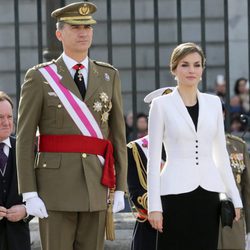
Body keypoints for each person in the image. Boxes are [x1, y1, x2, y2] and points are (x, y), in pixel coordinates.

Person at [16, 2, 127, 250]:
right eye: (75, 26)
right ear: (59, 33)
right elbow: (24, 139)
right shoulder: (40, 77)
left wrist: (120, 188)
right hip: (55, 188)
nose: (83, 32)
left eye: (87, 26)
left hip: (97, 185)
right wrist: (29, 192)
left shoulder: (109, 76)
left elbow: (118, 136)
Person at [147, 42, 242, 250]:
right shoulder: (160, 105)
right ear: (174, 69)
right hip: (173, 194)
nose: (192, 70)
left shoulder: (214, 103)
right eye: (185, 65)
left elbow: (220, 154)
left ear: (202, 69)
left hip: (208, 195)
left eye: (197, 65)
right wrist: (154, 206)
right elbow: (153, 161)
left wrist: (235, 197)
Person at [127, 87, 173, 250]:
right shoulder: (135, 149)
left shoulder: (193, 146)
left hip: (186, 224)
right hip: (151, 227)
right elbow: (136, 193)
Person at [0, 91, 31, 250]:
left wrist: (26, 211)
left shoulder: (26, 150)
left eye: (10, 117)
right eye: (0, 117)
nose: (6, 122)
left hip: (19, 242)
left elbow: (43, 191)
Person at [217, 103, 250, 250]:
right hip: (203, 218)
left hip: (233, 219)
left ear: (223, 114)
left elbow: (247, 190)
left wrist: (248, 228)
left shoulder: (238, 146)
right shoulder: (191, 146)